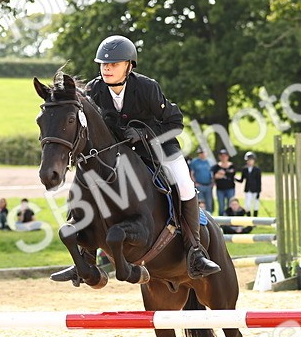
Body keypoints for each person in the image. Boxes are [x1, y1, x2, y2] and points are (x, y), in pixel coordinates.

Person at [51, 34, 220, 282]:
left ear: (129, 66)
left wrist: (143, 134)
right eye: (103, 64)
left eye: (114, 64)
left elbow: (175, 123)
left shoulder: (147, 88)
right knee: (85, 185)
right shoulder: (95, 90)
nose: (107, 68)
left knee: (184, 184)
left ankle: (195, 250)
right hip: (117, 155)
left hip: (158, 149)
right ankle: (85, 260)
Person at [188, 148, 214, 215]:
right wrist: (195, 183)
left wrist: (213, 182)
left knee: (209, 202)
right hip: (199, 185)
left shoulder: (210, 162)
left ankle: (210, 216)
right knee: (200, 202)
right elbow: (192, 173)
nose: (202, 154)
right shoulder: (194, 162)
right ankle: (200, 216)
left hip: (208, 185)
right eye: (200, 153)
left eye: (203, 152)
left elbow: (213, 173)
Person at [212, 148, 237, 216]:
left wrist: (223, 173)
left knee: (230, 205)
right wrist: (226, 173)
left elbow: (232, 175)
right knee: (221, 206)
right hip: (220, 189)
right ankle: (221, 222)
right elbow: (216, 176)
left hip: (230, 188)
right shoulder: (216, 166)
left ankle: (230, 221)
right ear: (219, 157)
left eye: (225, 155)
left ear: (227, 156)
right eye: (222, 156)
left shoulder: (232, 165)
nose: (223, 157)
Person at [237, 152, 262, 216]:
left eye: (251, 160)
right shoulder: (244, 169)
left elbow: (259, 181)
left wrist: (259, 192)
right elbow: (241, 180)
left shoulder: (257, 169)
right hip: (248, 189)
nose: (249, 161)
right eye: (248, 160)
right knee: (247, 205)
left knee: (256, 205)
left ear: (254, 161)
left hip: (255, 189)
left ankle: (255, 219)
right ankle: (249, 218)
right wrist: (235, 179)